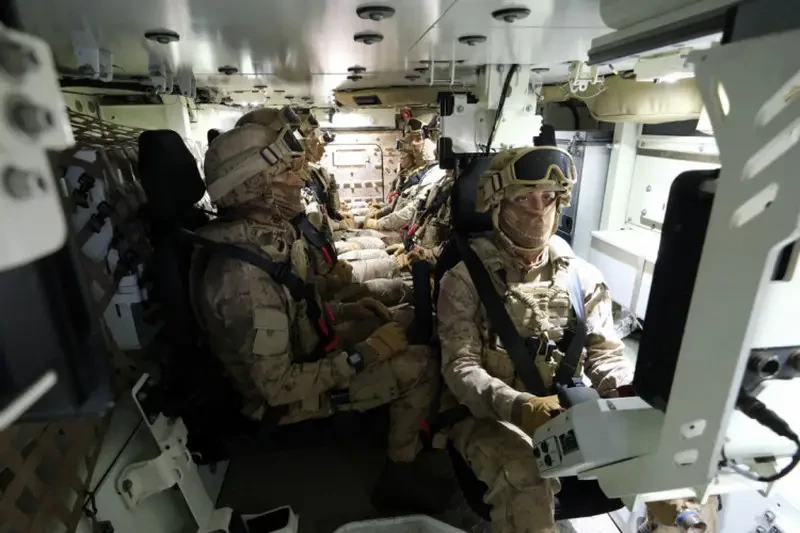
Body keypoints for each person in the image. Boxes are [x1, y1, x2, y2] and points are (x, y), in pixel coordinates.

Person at [190, 124, 441, 499]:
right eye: (286, 173)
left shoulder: (263, 240)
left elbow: (293, 309)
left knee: (403, 319)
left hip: (307, 350)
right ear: (255, 186)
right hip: (284, 401)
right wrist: (366, 353)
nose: (300, 180)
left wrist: (347, 308)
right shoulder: (241, 277)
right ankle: (399, 476)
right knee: (423, 366)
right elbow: (278, 387)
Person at [437, 146, 634, 533]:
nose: (538, 210)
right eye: (523, 198)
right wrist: (520, 407)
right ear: (497, 204)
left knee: (664, 462)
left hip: (564, 407)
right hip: (486, 414)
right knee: (524, 473)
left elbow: (605, 354)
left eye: (548, 197)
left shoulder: (582, 277)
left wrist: (627, 391)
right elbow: (460, 369)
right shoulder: (463, 281)